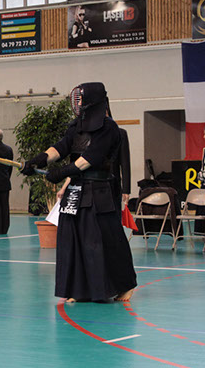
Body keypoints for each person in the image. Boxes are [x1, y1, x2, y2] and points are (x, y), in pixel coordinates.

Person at [22, 82, 136, 302]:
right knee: (71, 239)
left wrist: (61, 172)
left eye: (82, 99)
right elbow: (61, 147)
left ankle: (124, 285)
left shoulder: (109, 128)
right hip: (76, 191)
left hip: (100, 192)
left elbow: (90, 158)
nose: (79, 103)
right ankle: (78, 289)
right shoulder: (76, 125)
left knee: (103, 240)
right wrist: (38, 160)